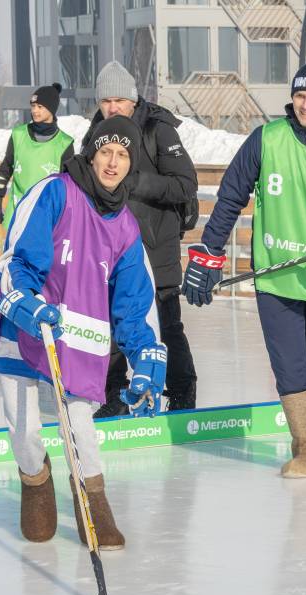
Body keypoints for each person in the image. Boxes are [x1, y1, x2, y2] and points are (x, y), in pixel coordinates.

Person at [183, 59, 306, 478]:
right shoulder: (267, 139)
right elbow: (231, 195)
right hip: (277, 275)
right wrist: (209, 253)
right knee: (291, 366)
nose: (305, 104)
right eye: (299, 95)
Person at [0, 115, 167, 550]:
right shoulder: (54, 193)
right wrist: (25, 300)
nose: (113, 162)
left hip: (78, 340)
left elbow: (134, 304)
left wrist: (145, 356)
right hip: (26, 328)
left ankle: (93, 506)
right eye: (106, 151)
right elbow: (18, 258)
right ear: (91, 152)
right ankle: (36, 484)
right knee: (24, 428)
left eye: (123, 156)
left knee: (80, 428)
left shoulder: (125, 228)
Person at [84, 61, 200, 416]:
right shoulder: (95, 134)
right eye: (106, 101)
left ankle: (181, 391)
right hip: (111, 248)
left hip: (155, 246)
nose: (113, 108)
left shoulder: (157, 129)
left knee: (166, 323)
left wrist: (134, 182)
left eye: (120, 100)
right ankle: (114, 394)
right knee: (111, 322)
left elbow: (186, 183)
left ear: (133, 99)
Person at [0, 83, 73, 230]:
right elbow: (6, 167)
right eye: (33, 106)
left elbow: (68, 185)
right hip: (16, 216)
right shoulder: (18, 135)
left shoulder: (64, 144)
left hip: (46, 219)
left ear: (51, 109)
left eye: (40, 107)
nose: (35, 111)